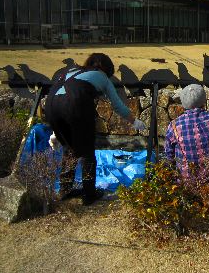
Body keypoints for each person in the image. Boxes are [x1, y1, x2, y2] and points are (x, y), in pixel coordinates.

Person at [45, 53, 146, 205]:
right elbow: (117, 105)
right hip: (75, 105)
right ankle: (89, 194)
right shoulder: (102, 76)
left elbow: (61, 99)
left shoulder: (71, 70)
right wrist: (135, 121)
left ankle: (64, 190)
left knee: (69, 150)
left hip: (50, 105)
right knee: (87, 153)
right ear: (107, 69)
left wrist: (55, 133)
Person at [164, 84, 209, 178]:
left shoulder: (174, 126)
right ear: (204, 101)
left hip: (188, 182)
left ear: (183, 103)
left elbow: (169, 155)